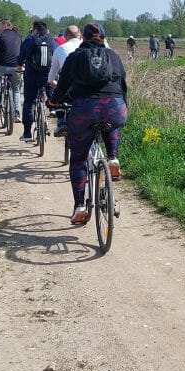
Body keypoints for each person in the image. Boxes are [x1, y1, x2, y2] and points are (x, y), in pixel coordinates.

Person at [52, 23, 127, 225]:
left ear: (83, 38)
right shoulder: (114, 56)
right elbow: (123, 86)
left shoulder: (75, 57)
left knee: (78, 160)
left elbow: (62, 86)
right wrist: (123, 107)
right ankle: (113, 158)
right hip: (114, 107)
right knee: (113, 121)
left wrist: (52, 102)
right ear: (104, 38)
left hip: (85, 110)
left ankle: (80, 207)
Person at [17, 21, 58, 142]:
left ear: (34, 29)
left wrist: (19, 67)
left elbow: (21, 57)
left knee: (29, 102)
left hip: (32, 76)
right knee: (52, 92)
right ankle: (53, 109)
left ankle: (27, 133)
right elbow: (56, 56)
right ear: (46, 29)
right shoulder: (51, 40)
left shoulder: (29, 39)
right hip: (48, 75)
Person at [48, 25, 83, 137]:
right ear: (80, 35)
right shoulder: (86, 47)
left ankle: (62, 123)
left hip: (68, 87)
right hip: (86, 87)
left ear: (66, 36)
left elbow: (53, 72)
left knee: (59, 96)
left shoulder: (60, 49)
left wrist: (51, 81)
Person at [0, 19, 23, 121]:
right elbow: (22, 50)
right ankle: (17, 113)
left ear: (4, 26)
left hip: (2, 65)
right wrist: (21, 64)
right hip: (16, 66)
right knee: (16, 89)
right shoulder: (18, 35)